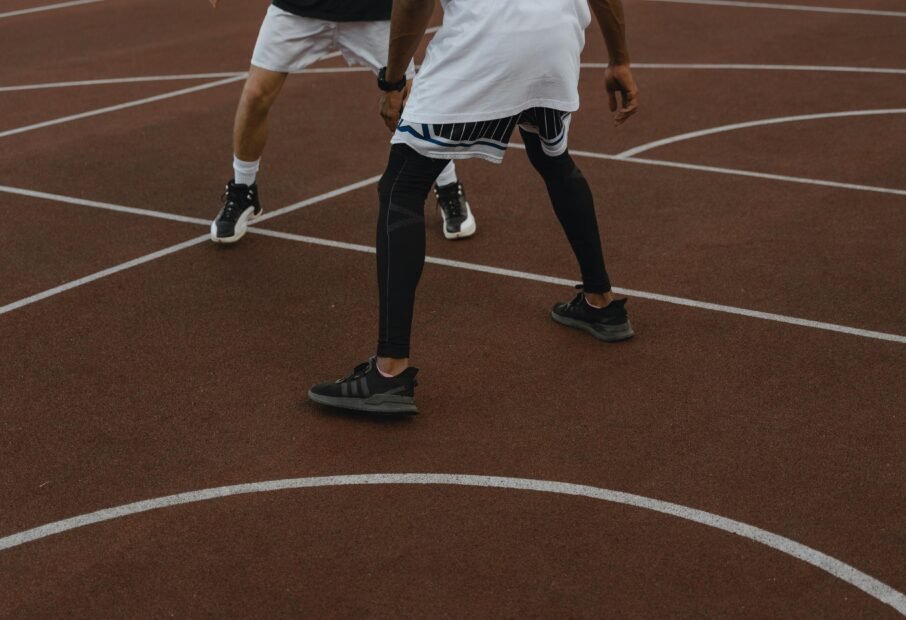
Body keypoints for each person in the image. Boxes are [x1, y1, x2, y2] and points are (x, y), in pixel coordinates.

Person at [309, 0, 639, 415]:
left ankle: (389, 374)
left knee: (402, 188)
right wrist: (619, 60)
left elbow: (413, 3)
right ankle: (600, 303)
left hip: (488, 43)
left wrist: (392, 79)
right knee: (553, 159)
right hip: (556, 38)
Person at [208, 0, 477, 244]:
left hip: (372, 12)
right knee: (255, 95)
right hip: (298, 10)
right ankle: (243, 190)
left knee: (409, 107)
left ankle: (448, 186)